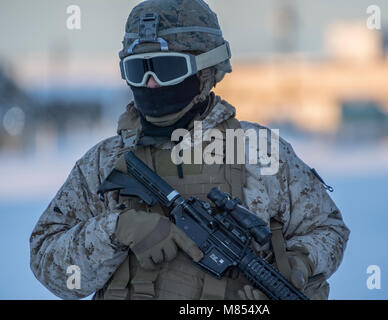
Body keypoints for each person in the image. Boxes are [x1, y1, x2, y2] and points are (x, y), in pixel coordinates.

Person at [30, 0, 349, 300]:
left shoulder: (260, 152)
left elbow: (327, 229)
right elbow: (49, 264)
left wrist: (298, 264)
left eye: (165, 69)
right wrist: (116, 229)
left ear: (207, 71)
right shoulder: (102, 163)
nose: (151, 84)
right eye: (138, 70)